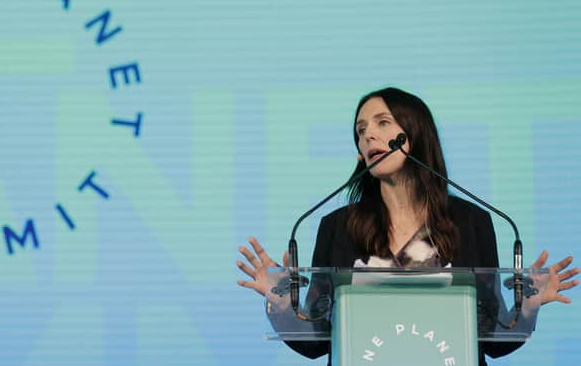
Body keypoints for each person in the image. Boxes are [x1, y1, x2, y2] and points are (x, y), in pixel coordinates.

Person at [237, 87, 579, 366]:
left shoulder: (472, 222)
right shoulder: (337, 226)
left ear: (413, 134)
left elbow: (491, 340)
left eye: (383, 122)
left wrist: (528, 308)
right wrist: (282, 305)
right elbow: (317, 342)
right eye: (360, 131)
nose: (369, 133)